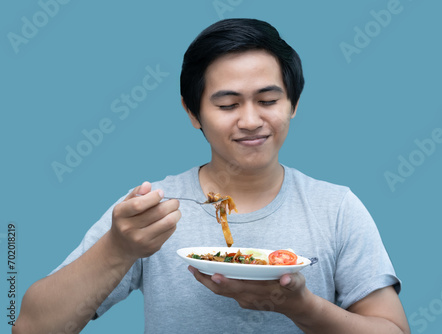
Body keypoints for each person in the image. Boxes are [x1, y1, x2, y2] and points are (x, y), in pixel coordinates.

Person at [14, 18, 410, 333]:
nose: (252, 121)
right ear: (192, 113)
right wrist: (117, 249)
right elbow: (32, 328)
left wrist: (302, 308)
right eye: (228, 104)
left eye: (268, 100)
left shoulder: (336, 207)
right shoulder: (152, 211)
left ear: (293, 104)